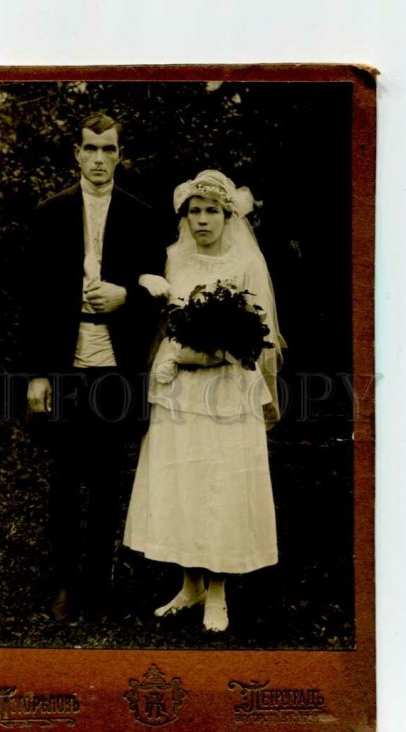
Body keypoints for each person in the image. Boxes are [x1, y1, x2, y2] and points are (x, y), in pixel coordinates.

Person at [124, 170, 284, 633]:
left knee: (221, 484)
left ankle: (217, 591)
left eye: (211, 211)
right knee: (185, 481)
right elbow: (165, 322)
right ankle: (189, 585)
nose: (202, 220)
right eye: (194, 211)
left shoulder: (245, 263)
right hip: (180, 392)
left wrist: (210, 353)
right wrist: (175, 355)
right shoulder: (174, 258)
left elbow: (257, 336)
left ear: (227, 216)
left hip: (227, 391)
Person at [25, 112, 168, 621]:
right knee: (64, 477)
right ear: (77, 154)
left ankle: (97, 582)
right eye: (91, 148)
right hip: (66, 362)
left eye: (109, 149)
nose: (100, 159)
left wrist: (125, 295)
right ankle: (64, 583)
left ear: (120, 155)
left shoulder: (141, 215)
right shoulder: (51, 212)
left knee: (108, 479)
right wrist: (37, 373)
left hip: (117, 366)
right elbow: (34, 298)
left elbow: (159, 293)